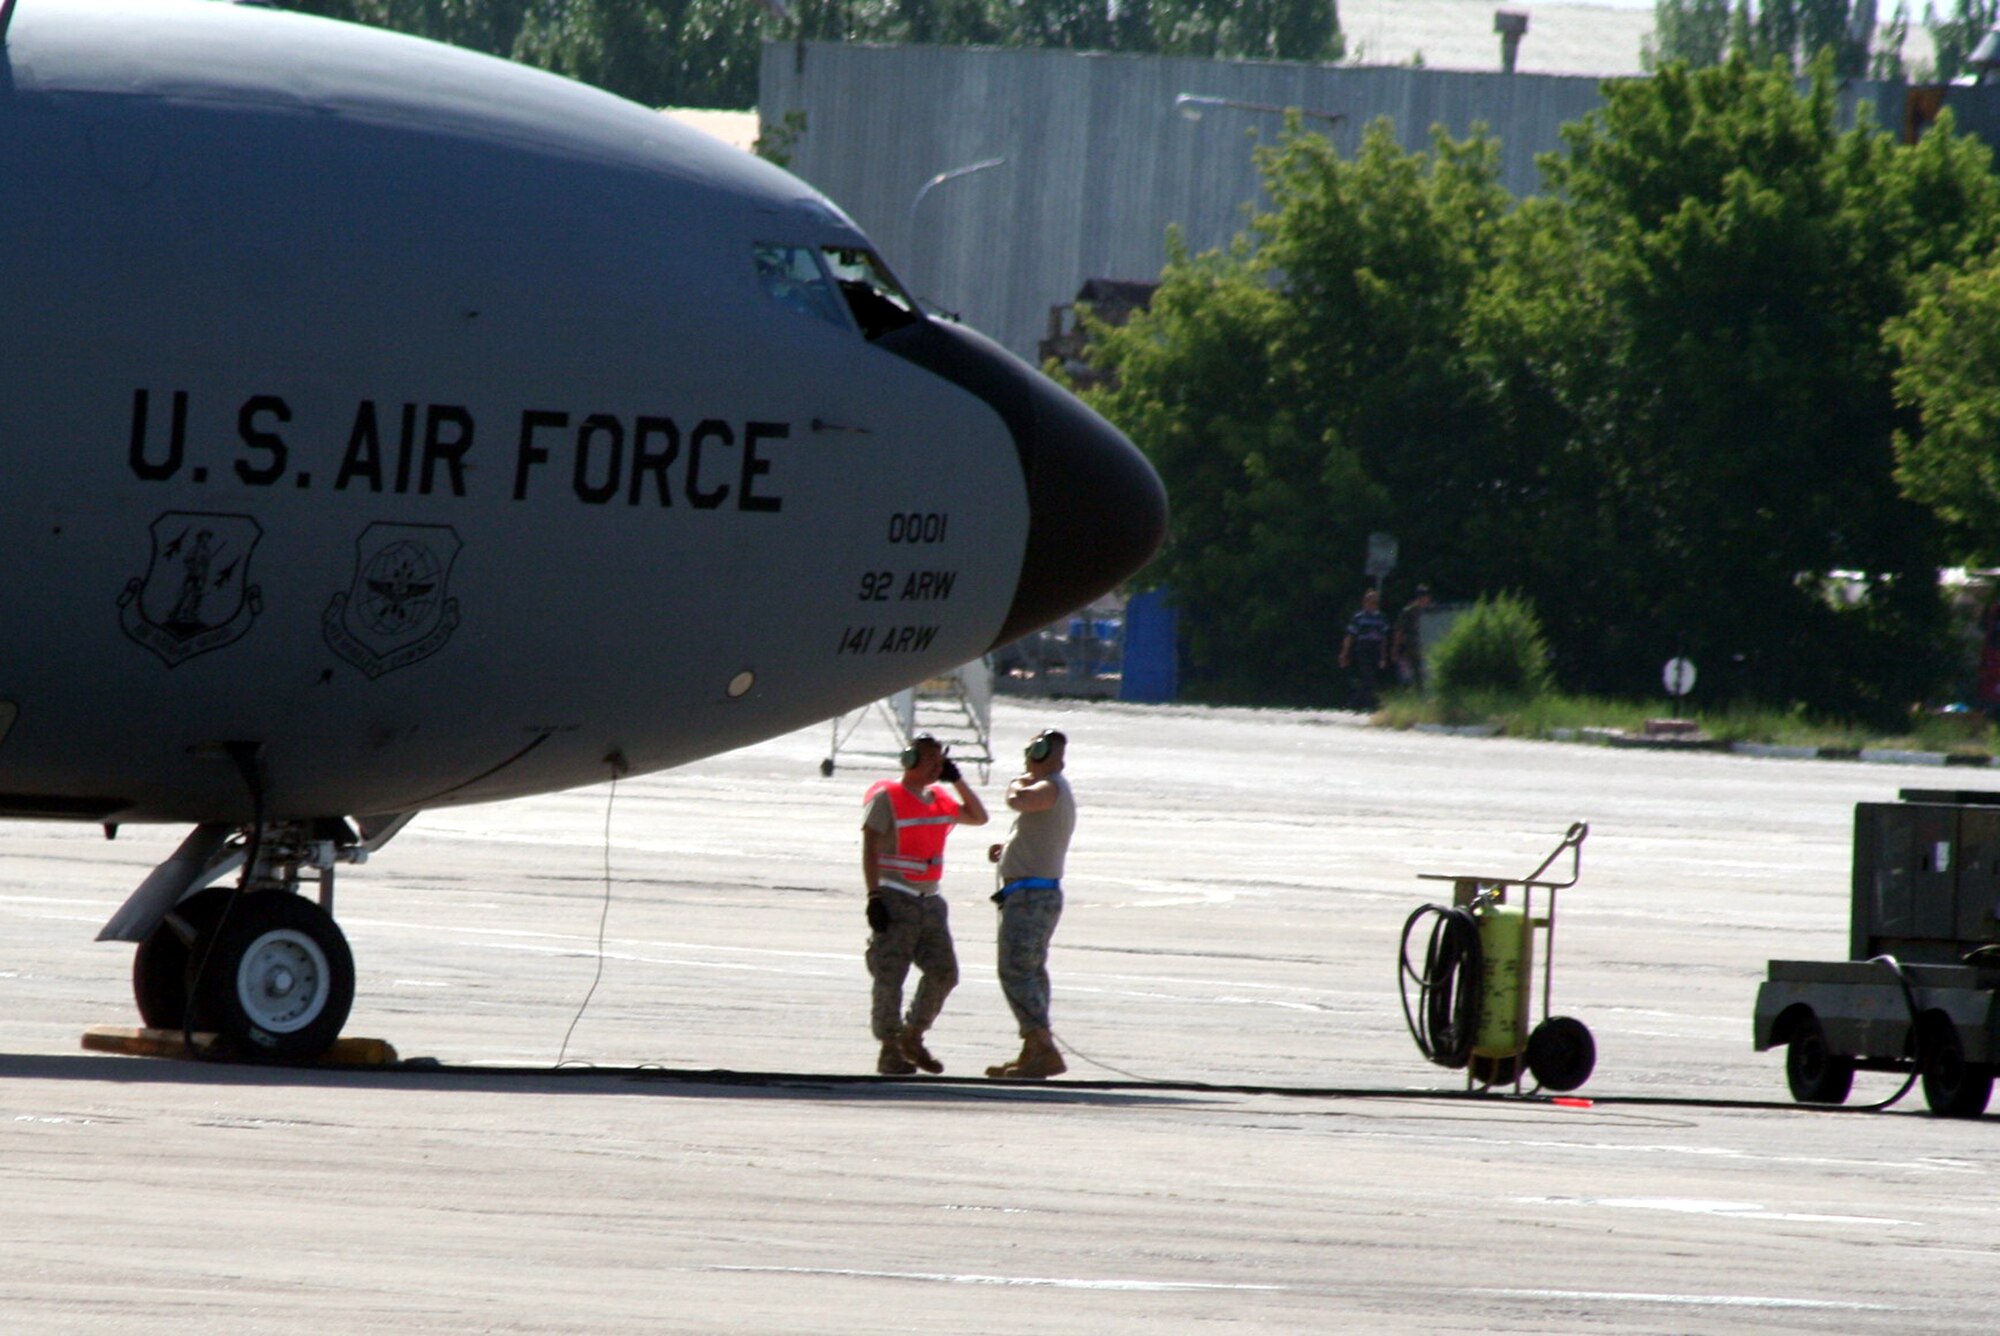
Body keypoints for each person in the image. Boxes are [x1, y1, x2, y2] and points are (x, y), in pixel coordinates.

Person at [861, 733, 988, 1074]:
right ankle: (890, 1047)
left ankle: (912, 1035)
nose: (937, 768)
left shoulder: (939, 798)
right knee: (890, 975)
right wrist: (874, 895)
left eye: (941, 762)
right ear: (910, 762)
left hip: (929, 901)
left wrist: (957, 779)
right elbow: (870, 845)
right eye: (931, 761)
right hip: (895, 896)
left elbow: (979, 817)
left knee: (944, 972)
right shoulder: (888, 797)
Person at [983, 729, 1077, 1080]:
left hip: (1032, 898)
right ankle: (1033, 1049)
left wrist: (1014, 784)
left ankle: (1042, 1046)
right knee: (1030, 971)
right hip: (1031, 895)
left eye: (1037, 750)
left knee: (1017, 970)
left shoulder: (1047, 787)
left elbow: (1019, 801)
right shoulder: (1048, 788)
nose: (1030, 756)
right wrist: (1007, 851)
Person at [1338, 588, 1390, 710]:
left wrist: (1383, 656)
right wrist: (1344, 653)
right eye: (1370, 602)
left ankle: (1360, 704)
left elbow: (1384, 638)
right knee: (1368, 676)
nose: (1372, 605)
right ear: (1365, 603)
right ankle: (1359, 704)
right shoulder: (1358, 617)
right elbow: (1350, 636)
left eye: (1375, 602)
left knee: (1370, 679)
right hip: (1363, 648)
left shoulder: (1381, 617)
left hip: (1376, 648)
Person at [1392, 584, 1433, 689]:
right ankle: (1417, 695)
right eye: (1424, 596)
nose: (1426, 599)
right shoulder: (1409, 611)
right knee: (1414, 671)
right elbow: (1399, 630)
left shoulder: (1430, 610)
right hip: (1412, 644)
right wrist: (1396, 647)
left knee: (1427, 671)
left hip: (1428, 643)